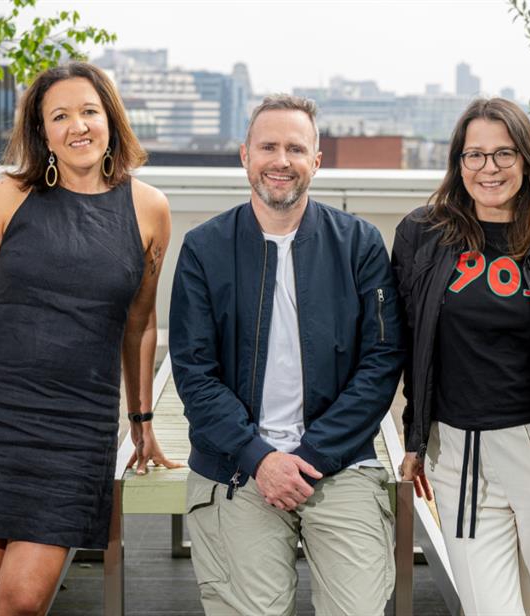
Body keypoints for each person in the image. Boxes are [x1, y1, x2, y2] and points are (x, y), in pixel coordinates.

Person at [0, 62, 178, 616]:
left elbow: (141, 323)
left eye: (88, 110)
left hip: (75, 429)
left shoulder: (150, 208)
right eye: (59, 116)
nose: (77, 126)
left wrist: (141, 422)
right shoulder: (9, 196)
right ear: (42, 131)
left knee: (21, 600)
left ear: (110, 117)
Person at [169, 94, 405, 616]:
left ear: (316, 162)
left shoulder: (359, 244)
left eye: (296, 148)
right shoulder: (204, 249)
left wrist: (311, 457)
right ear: (245, 156)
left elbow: (381, 361)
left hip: (339, 464)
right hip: (236, 467)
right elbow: (195, 373)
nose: (281, 160)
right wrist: (261, 459)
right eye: (268, 146)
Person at [393, 98, 530, 616]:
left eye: (503, 153)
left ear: (527, 160)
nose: (488, 168)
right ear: (458, 163)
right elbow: (405, 341)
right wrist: (416, 435)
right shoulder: (421, 237)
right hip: (458, 455)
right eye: (475, 155)